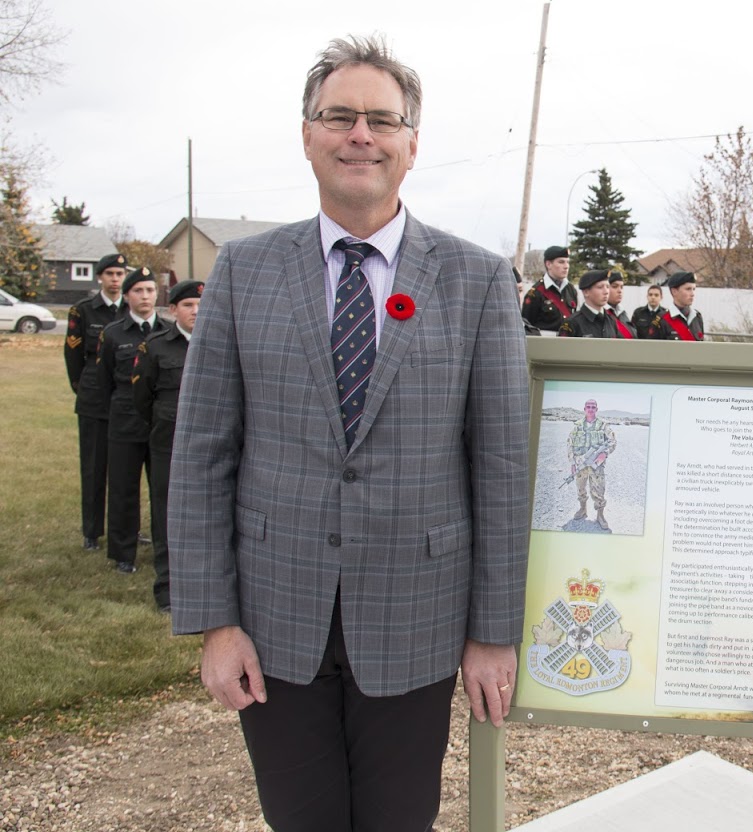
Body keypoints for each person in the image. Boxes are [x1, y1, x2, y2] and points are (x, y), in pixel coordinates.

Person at [167, 36, 529, 832]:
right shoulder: (244, 270)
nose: (359, 134)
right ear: (308, 136)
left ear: (410, 145)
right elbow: (202, 454)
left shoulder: (476, 280)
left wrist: (493, 634)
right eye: (338, 116)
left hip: (417, 618)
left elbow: (500, 464)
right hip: (274, 617)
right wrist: (216, 622)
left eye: (380, 119)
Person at [132, 280, 202, 611]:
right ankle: (168, 588)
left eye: (201, 304)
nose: (196, 311)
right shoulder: (155, 347)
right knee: (166, 516)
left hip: (210, 446)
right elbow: (141, 397)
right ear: (172, 310)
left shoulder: (218, 341)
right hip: (167, 444)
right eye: (188, 305)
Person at [98, 267, 168, 574]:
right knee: (124, 489)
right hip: (125, 423)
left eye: (150, 290)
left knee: (163, 491)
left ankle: (164, 549)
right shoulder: (113, 334)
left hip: (159, 427)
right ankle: (123, 552)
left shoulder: (167, 333)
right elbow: (103, 382)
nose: (145, 296)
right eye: (139, 290)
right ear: (127, 296)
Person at [64, 253, 129, 550]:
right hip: (94, 400)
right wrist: (85, 390)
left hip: (126, 400)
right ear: (100, 278)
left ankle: (125, 527)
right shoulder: (84, 310)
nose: (115, 279)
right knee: (93, 466)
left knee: (124, 469)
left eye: (120, 273)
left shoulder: (131, 309)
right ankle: (92, 530)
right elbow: (73, 357)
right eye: (110, 274)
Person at [566, 399, 617, 531]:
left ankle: (600, 515)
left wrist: (605, 453)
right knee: (580, 488)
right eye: (588, 407)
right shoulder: (577, 426)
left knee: (599, 491)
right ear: (584, 409)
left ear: (596, 409)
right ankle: (583, 509)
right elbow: (569, 444)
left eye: (593, 407)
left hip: (597, 465)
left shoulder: (603, 425)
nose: (590, 409)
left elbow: (612, 441)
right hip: (580, 465)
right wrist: (572, 463)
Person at [558, 270, 633, 338]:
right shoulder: (572, 323)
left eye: (607, 287)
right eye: (600, 287)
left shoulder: (611, 321)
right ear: (586, 292)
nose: (606, 291)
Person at [521, 244, 578, 331]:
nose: (566, 266)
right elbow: (527, 327)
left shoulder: (571, 290)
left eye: (567, 262)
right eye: (561, 262)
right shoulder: (535, 293)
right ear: (548, 264)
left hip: (568, 342)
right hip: (545, 343)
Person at [648, 271, 704, 341]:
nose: (692, 294)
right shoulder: (661, 320)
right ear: (674, 291)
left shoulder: (697, 317)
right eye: (688, 289)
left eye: (694, 289)